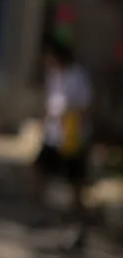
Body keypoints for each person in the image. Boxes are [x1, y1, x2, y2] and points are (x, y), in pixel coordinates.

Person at [32, 40, 94, 249]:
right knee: (38, 172)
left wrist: (69, 118)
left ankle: (79, 227)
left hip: (71, 139)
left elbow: (85, 107)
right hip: (53, 136)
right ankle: (45, 214)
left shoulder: (77, 76)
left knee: (75, 186)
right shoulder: (53, 75)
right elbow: (51, 103)